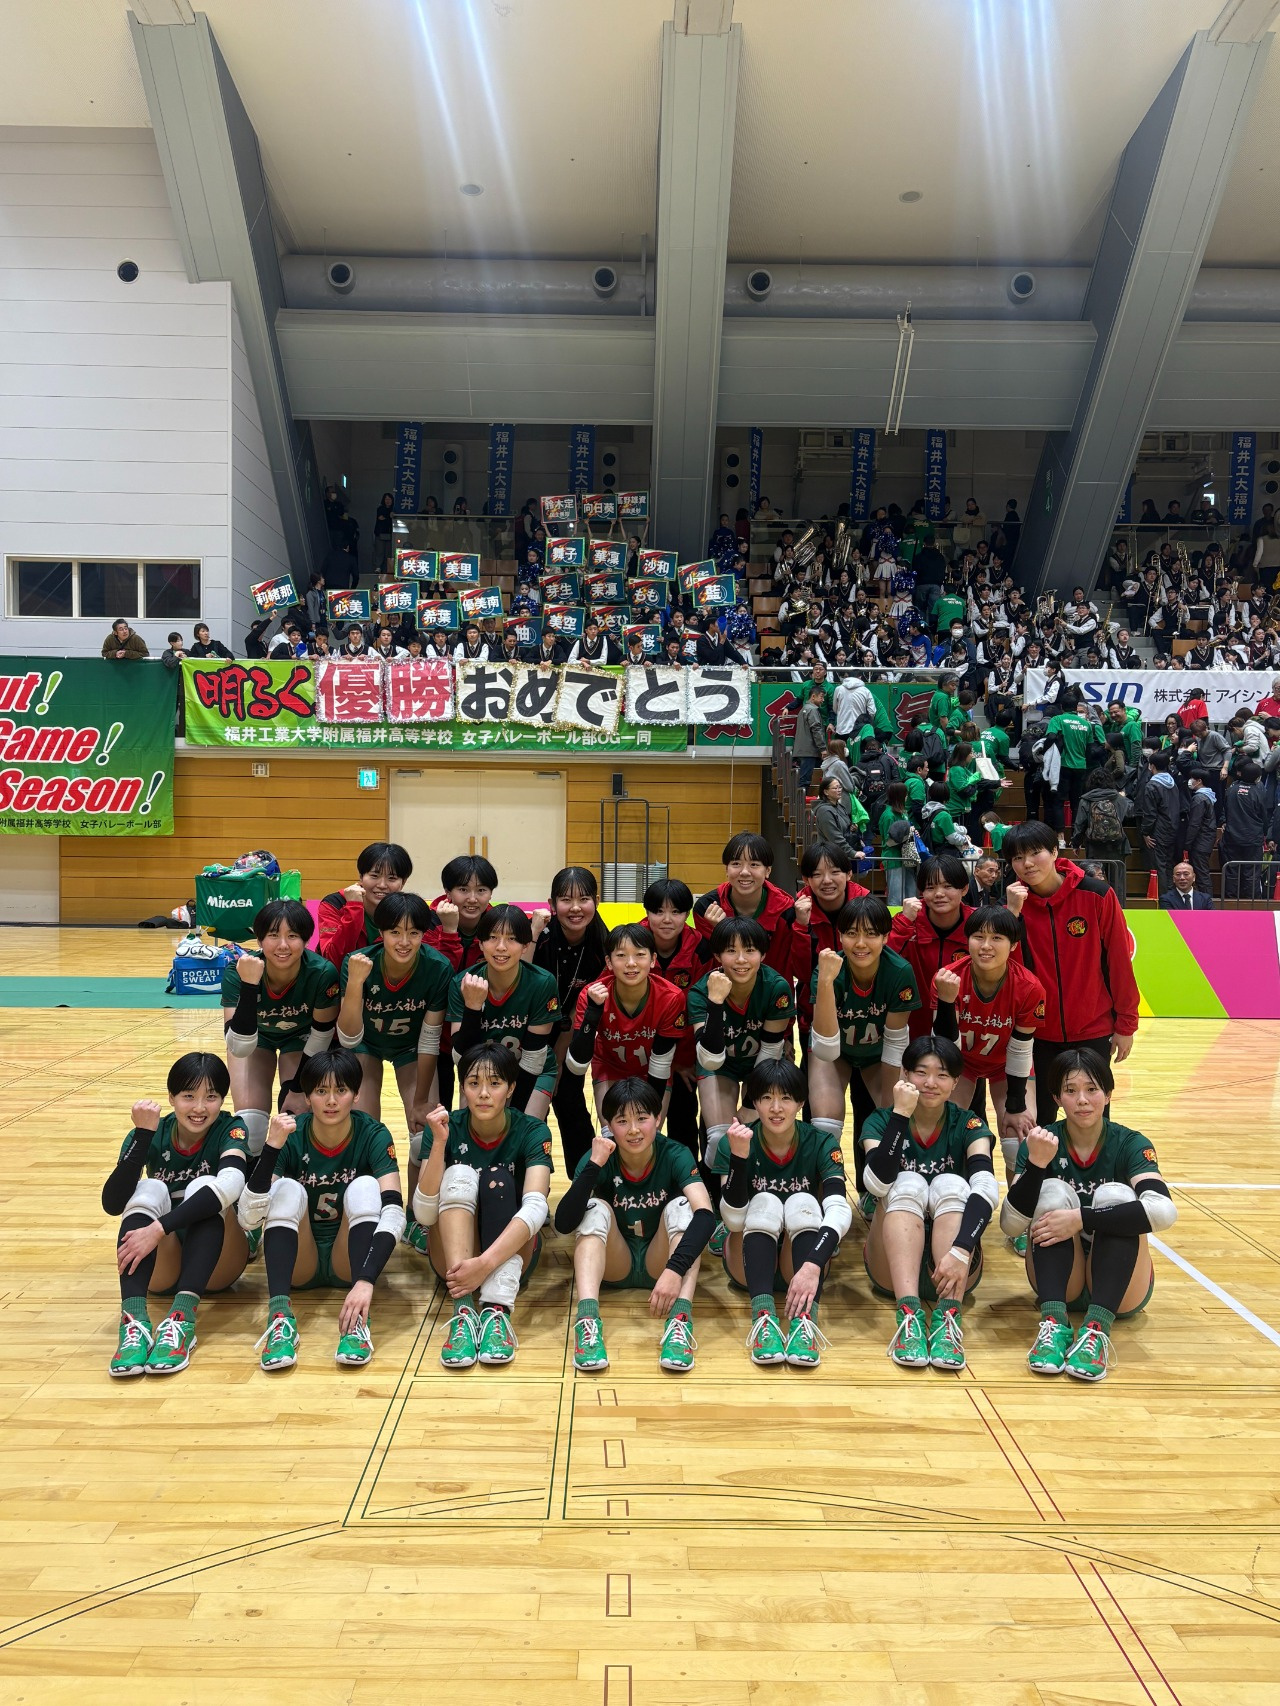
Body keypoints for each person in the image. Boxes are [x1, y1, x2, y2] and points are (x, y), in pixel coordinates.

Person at [999, 1049, 1174, 1381]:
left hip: (1122, 1287)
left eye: (1092, 1089)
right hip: (1060, 1281)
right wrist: (1036, 1165)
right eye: (1070, 1090)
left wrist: (1083, 1218)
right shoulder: (1042, 1141)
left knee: (1116, 1196)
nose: (1082, 1100)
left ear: (1108, 1094)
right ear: (1057, 1098)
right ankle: (1053, 1323)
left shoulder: (1130, 1143)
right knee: (1051, 1191)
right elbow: (1010, 1224)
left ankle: (1097, 1330)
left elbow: (1164, 1211)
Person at [236, 1049, 404, 1371]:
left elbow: (395, 1212)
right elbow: (248, 1217)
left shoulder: (373, 1133)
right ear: (307, 1096)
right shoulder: (292, 1134)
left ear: (356, 1095)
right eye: (321, 1091)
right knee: (287, 1188)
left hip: (349, 1263)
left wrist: (367, 1280)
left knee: (366, 1186)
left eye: (341, 1090)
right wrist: (271, 1147)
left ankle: (357, 1323)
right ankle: (279, 1316)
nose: (331, 1101)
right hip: (300, 1260)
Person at [102, 1053, 250, 1377]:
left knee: (206, 1188)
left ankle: (183, 1319)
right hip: (165, 1265)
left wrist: (158, 1228)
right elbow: (112, 1203)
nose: (199, 1107)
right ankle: (133, 1321)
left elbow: (232, 1183)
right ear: (171, 1098)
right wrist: (142, 1136)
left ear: (223, 1099)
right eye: (188, 1096)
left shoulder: (232, 1128)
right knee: (149, 1188)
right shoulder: (152, 1131)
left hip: (220, 1263)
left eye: (211, 1097)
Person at [556, 1079, 715, 1374]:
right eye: (622, 1121)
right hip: (617, 1262)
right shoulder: (599, 1157)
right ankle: (587, 1320)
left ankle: (680, 1321)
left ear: (658, 1118)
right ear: (608, 1125)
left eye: (642, 1118)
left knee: (683, 1208)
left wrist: (674, 1269)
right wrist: (594, 1166)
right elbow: (564, 1223)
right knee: (595, 1208)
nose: (633, 1130)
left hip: (661, 1263)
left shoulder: (675, 1154)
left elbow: (706, 1217)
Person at [411, 1042, 553, 1370]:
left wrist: (485, 1264)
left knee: (497, 1180)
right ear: (463, 1088)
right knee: (459, 1173)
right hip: (452, 1258)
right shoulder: (444, 1127)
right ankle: (463, 1310)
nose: (484, 1093)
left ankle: (496, 1311)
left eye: (495, 1083)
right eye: (474, 1083)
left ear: (511, 1088)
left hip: (508, 1256)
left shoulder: (533, 1130)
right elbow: (424, 1214)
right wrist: (439, 1144)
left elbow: (536, 1208)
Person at [861, 1036, 998, 1371]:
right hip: (891, 1266)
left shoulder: (969, 1124)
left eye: (942, 1075)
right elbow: (876, 1183)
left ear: (955, 1083)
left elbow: (986, 1190)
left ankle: (948, 1319)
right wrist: (900, 1115)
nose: (930, 1083)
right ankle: (908, 1317)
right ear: (905, 1075)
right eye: (921, 1072)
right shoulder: (881, 1121)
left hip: (955, 1266)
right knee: (906, 1183)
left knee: (952, 1184)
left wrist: (961, 1251)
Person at [712, 1060, 852, 1368]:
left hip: (803, 1263)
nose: (776, 1108)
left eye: (786, 1098)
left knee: (802, 1201)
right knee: (765, 1202)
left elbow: (839, 1209)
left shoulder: (821, 1143)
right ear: (754, 1102)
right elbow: (732, 1219)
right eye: (766, 1098)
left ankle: (805, 1321)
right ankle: (762, 1317)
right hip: (746, 1259)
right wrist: (739, 1159)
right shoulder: (735, 1141)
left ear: (801, 1103)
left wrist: (814, 1264)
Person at [1003, 821, 1140, 1116]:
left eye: (1035, 853)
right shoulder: (1013, 907)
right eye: (1017, 857)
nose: (1027, 864)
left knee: (1092, 1119)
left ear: (1055, 851)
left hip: (1093, 1028)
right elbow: (1007, 970)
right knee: (1042, 1122)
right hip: (1037, 1034)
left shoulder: (1097, 895)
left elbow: (1119, 963)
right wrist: (1011, 915)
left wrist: (1126, 1024)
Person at [929, 905, 1045, 1214]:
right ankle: (946, 1205)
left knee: (1018, 1137)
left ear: (1014, 945)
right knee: (943, 1128)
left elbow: (1020, 1049)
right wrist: (946, 1001)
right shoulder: (948, 978)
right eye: (978, 936)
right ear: (967, 940)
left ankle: (1018, 1216)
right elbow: (945, 1050)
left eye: (997, 938)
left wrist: (1016, 1105)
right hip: (960, 1063)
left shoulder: (1029, 987)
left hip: (1006, 1066)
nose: (986, 945)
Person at [336, 890, 451, 1170]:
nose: (404, 942)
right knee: (362, 1132)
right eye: (395, 932)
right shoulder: (357, 963)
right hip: (365, 1045)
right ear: (381, 932)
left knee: (425, 1137)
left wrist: (421, 1101)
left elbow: (430, 1039)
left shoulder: (438, 967)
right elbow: (348, 1038)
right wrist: (355, 983)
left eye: (413, 933)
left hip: (412, 1048)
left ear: (424, 934)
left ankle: (417, 1199)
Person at [221, 899, 341, 1157]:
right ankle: (250, 1179)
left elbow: (322, 1035)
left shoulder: (322, 973)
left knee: (295, 1118)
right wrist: (250, 985)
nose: (283, 945)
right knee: (251, 1127)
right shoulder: (237, 971)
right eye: (273, 935)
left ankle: (289, 1175)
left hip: (301, 1039)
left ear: (306, 940)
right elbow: (238, 1047)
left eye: (293, 936)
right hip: (255, 1039)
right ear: (259, 939)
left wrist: (297, 1089)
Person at [809, 898, 920, 1163]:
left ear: (885, 937)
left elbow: (895, 1043)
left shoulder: (899, 972)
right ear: (840, 936)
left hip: (878, 1054)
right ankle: (827, 1187)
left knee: (893, 1122)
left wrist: (890, 1107)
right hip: (835, 1054)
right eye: (851, 933)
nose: (860, 943)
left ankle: (881, 1185)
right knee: (825, 1125)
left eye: (870, 934)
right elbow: (825, 1049)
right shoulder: (828, 969)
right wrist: (826, 983)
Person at [687, 917, 795, 1170]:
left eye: (750, 950)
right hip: (720, 1067)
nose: (741, 960)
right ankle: (715, 1188)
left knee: (755, 1133)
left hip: (761, 1065)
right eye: (731, 951)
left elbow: (770, 1051)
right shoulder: (701, 992)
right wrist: (715, 1002)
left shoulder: (776, 987)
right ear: (717, 955)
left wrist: (749, 1105)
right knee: (719, 1140)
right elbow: (709, 1060)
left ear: (763, 954)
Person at [530, 866, 611, 1174]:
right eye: (566, 899)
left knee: (570, 1100)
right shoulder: (540, 937)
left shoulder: (603, 943)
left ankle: (585, 1179)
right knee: (529, 1102)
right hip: (531, 1030)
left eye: (584, 899)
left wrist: (561, 1055)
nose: (575, 908)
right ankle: (531, 1177)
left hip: (577, 1032)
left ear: (596, 902)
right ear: (552, 903)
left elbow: (584, 1008)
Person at [566, 922, 686, 1123]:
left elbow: (661, 1063)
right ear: (609, 962)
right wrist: (593, 1011)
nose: (631, 963)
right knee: (612, 1132)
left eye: (640, 954)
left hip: (652, 1072)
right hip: (609, 1068)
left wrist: (650, 1116)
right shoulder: (591, 994)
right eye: (621, 955)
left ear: (653, 960)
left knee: (648, 1131)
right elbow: (576, 1065)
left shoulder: (671, 997)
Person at [448, 904, 562, 1117]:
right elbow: (461, 1057)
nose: (501, 947)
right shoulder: (462, 983)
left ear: (525, 946)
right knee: (475, 1128)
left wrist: (514, 1117)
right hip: (479, 1071)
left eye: (512, 939)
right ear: (481, 943)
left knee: (526, 1128)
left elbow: (534, 1057)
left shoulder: (542, 983)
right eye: (492, 937)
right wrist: (473, 1007)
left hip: (532, 1069)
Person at [693, 832, 808, 985]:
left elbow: (801, 970)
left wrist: (802, 926)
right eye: (736, 864)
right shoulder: (706, 908)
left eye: (754, 864)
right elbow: (709, 967)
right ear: (726, 869)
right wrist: (719, 932)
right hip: (723, 993)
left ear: (768, 871)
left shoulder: (786, 911)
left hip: (773, 994)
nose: (745, 872)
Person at [887, 856, 974, 1041]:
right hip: (911, 1027)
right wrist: (904, 924)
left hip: (964, 1029)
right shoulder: (906, 923)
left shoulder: (977, 926)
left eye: (948, 886)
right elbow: (883, 959)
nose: (939, 894)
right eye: (930, 887)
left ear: (964, 889)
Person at [1073, 765, 1132, 902]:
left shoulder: (1086, 800)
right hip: (1118, 846)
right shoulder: (1119, 798)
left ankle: (1094, 907)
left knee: (1093, 880)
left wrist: (1076, 843)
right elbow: (1127, 815)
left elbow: (1079, 824)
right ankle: (1119, 909)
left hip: (1094, 847)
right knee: (1117, 883)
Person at [1140, 752, 1181, 900]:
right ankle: (1173, 896)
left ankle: (1165, 900)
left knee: (1160, 866)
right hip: (1173, 828)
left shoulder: (1152, 785)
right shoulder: (1173, 783)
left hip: (1158, 830)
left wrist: (1145, 833)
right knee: (1169, 864)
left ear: (1152, 766)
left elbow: (1150, 813)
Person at [1183, 771, 1219, 896]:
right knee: (1201, 872)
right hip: (1206, 840)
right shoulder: (1208, 796)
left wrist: (1187, 843)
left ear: (1199, 781)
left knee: (1201, 873)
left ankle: (1206, 901)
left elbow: (1194, 823)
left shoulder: (1199, 798)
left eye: (1192, 778)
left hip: (1200, 841)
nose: (1190, 781)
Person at [790, 684, 828, 792]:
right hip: (808, 751)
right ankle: (800, 801)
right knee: (805, 781)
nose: (823, 700)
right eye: (821, 697)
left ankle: (800, 799)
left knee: (804, 779)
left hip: (802, 750)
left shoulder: (804, 709)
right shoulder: (812, 710)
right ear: (813, 696)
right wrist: (823, 748)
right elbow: (816, 729)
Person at [373, 492, 395, 576]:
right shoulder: (380, 508)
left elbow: (386, 518)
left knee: (388, 553)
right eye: (386, 499)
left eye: (389, 499)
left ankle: (388, 569)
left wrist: (387, 517)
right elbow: (381, 517)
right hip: (380, 533)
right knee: (379, 551)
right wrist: (389, 516)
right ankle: (378, 567)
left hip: (391, 534)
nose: (388, 501)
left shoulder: (394, 509)